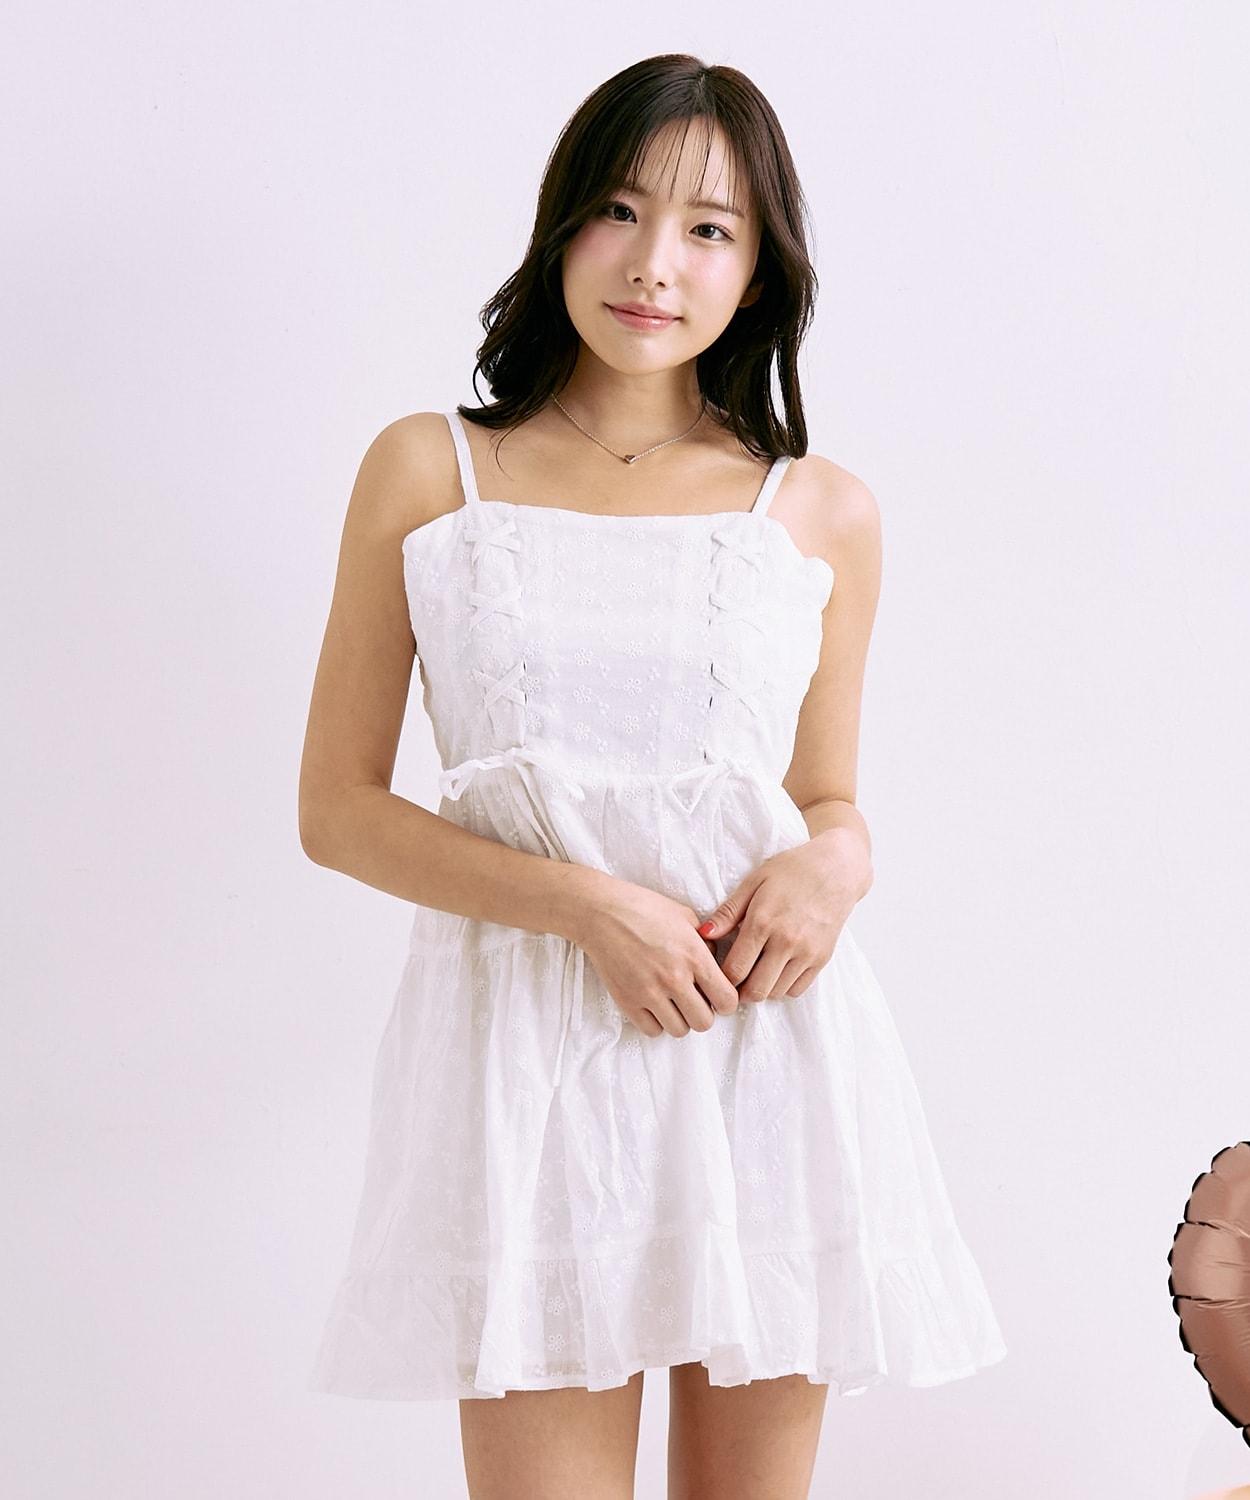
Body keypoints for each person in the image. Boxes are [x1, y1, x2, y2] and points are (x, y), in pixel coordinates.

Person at [299, 52, 1007, 1500]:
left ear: (759, 269)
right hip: (521, 1067)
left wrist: (837, 865)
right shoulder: (430, 471)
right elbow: (338, 812)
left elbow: (827, 796)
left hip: (764, 1049)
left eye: (708, 228)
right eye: (619, 210)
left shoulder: (816, 508)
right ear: (562, 222)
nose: (652, 264)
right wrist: (588, 909)